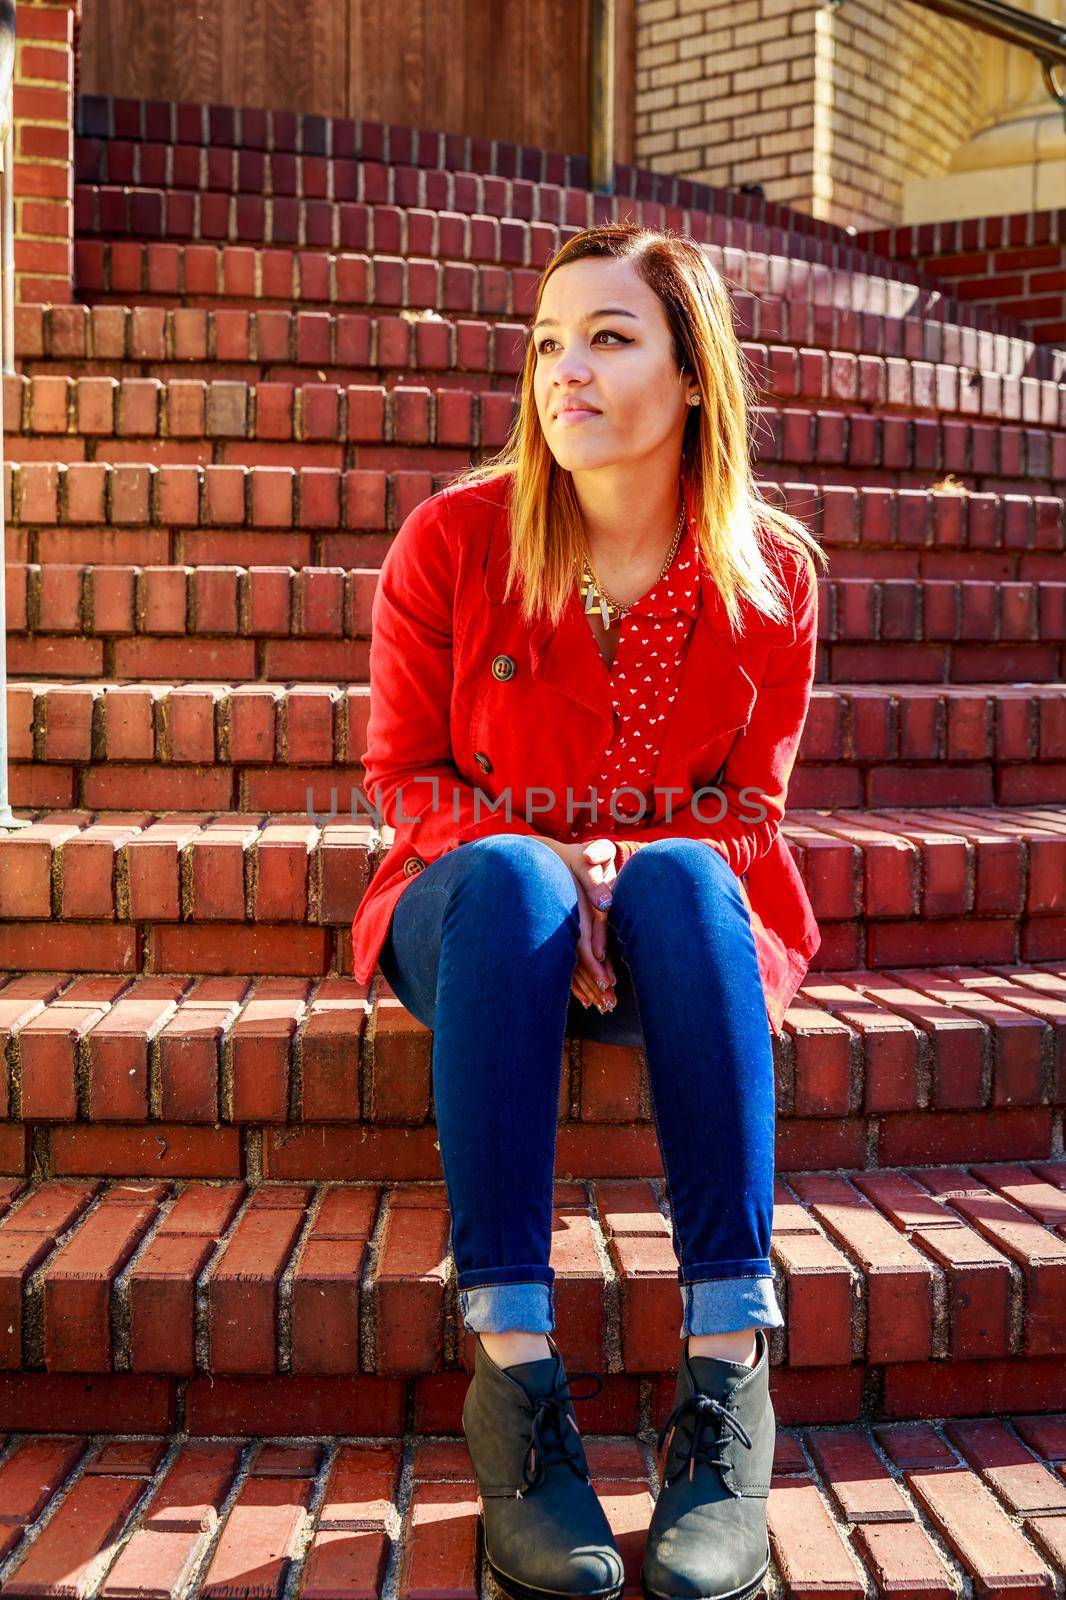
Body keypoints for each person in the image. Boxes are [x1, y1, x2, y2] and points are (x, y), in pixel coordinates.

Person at [350, 222, 827, 1600]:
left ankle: (728, 1384)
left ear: (692, 376)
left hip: (682, 935)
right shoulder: (452, 540)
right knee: (508, 874)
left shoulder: (770, 575)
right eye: (549, 340)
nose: (566, 370)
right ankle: (514, 1384)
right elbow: (404, 776)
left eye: (610, 338)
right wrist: (558, 866)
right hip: (485, 926)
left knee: (684, 872)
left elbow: (751, 810)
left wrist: (625, 872)